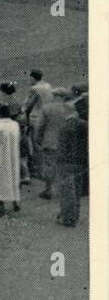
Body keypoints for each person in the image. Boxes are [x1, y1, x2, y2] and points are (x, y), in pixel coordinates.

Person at [32, 88, 75, 200]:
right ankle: (64, 190)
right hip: (65, 142)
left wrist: (37, 139)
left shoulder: (46, 108)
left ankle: (48, 190)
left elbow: (39, 126)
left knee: (49, 166)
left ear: (55, 96)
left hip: (49, 141)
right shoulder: (70, 108)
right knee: (64, 167)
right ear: (64, 97)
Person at [56, 95, 89, 227]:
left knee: (67, 192)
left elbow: (62, 145)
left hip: (66, 162)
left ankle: (68, 218)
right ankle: (74, 215)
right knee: (76, 190)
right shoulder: (85, 125)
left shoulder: (66, 125)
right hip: (81, 161)